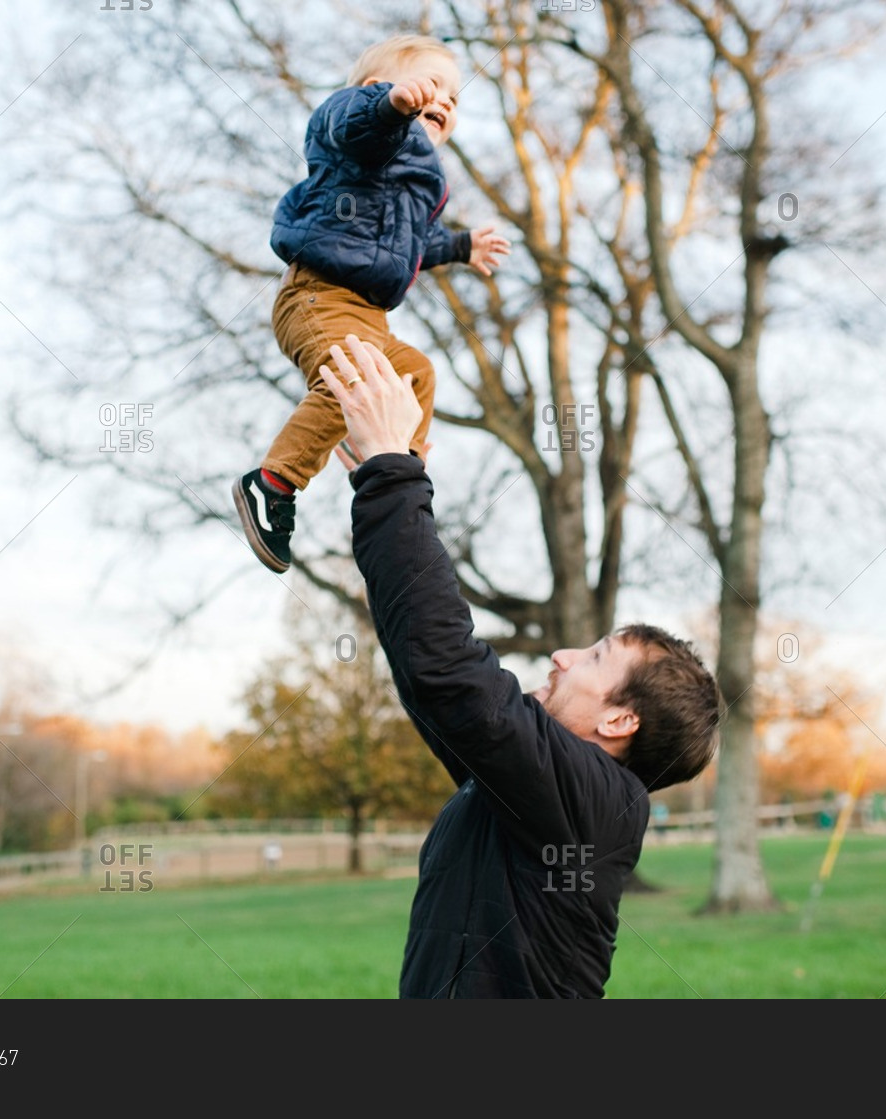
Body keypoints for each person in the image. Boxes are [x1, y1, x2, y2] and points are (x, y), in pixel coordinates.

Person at [320, 335, 723, 999]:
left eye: (593, 657)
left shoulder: (598, 802)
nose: (562, 656)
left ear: (622, 717)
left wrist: (394, 471)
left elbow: (451, 672)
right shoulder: (529, 792)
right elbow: (428, 674)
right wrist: (384, 481)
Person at [233, 34, 510, 573]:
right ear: (374, 86)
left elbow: (407, 244)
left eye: (454, 98)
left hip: (368, 316)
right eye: (434, 85)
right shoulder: (359, 132)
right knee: (353, 382)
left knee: (415, 374)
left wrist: (459, 246)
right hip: (319, 295)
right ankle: (272, 483)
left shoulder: (415, 181)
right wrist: (389, 106)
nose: (446, 101)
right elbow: (349, 124)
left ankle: (391, 465)